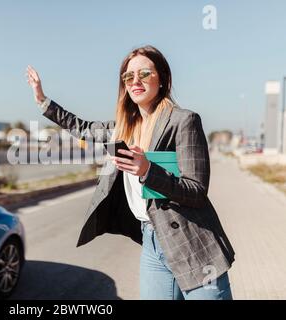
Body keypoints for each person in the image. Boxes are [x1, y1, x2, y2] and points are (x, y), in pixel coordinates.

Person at [26, 45, 235, 300]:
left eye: (144, 73)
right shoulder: (122, 129)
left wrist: (147, 169)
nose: (135, 81)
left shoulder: (184, 121)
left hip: (193, 245)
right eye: (128, 76)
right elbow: (82, 127)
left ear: (164, 79)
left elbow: (196, 191)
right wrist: (41, 99)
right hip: (152, 244)